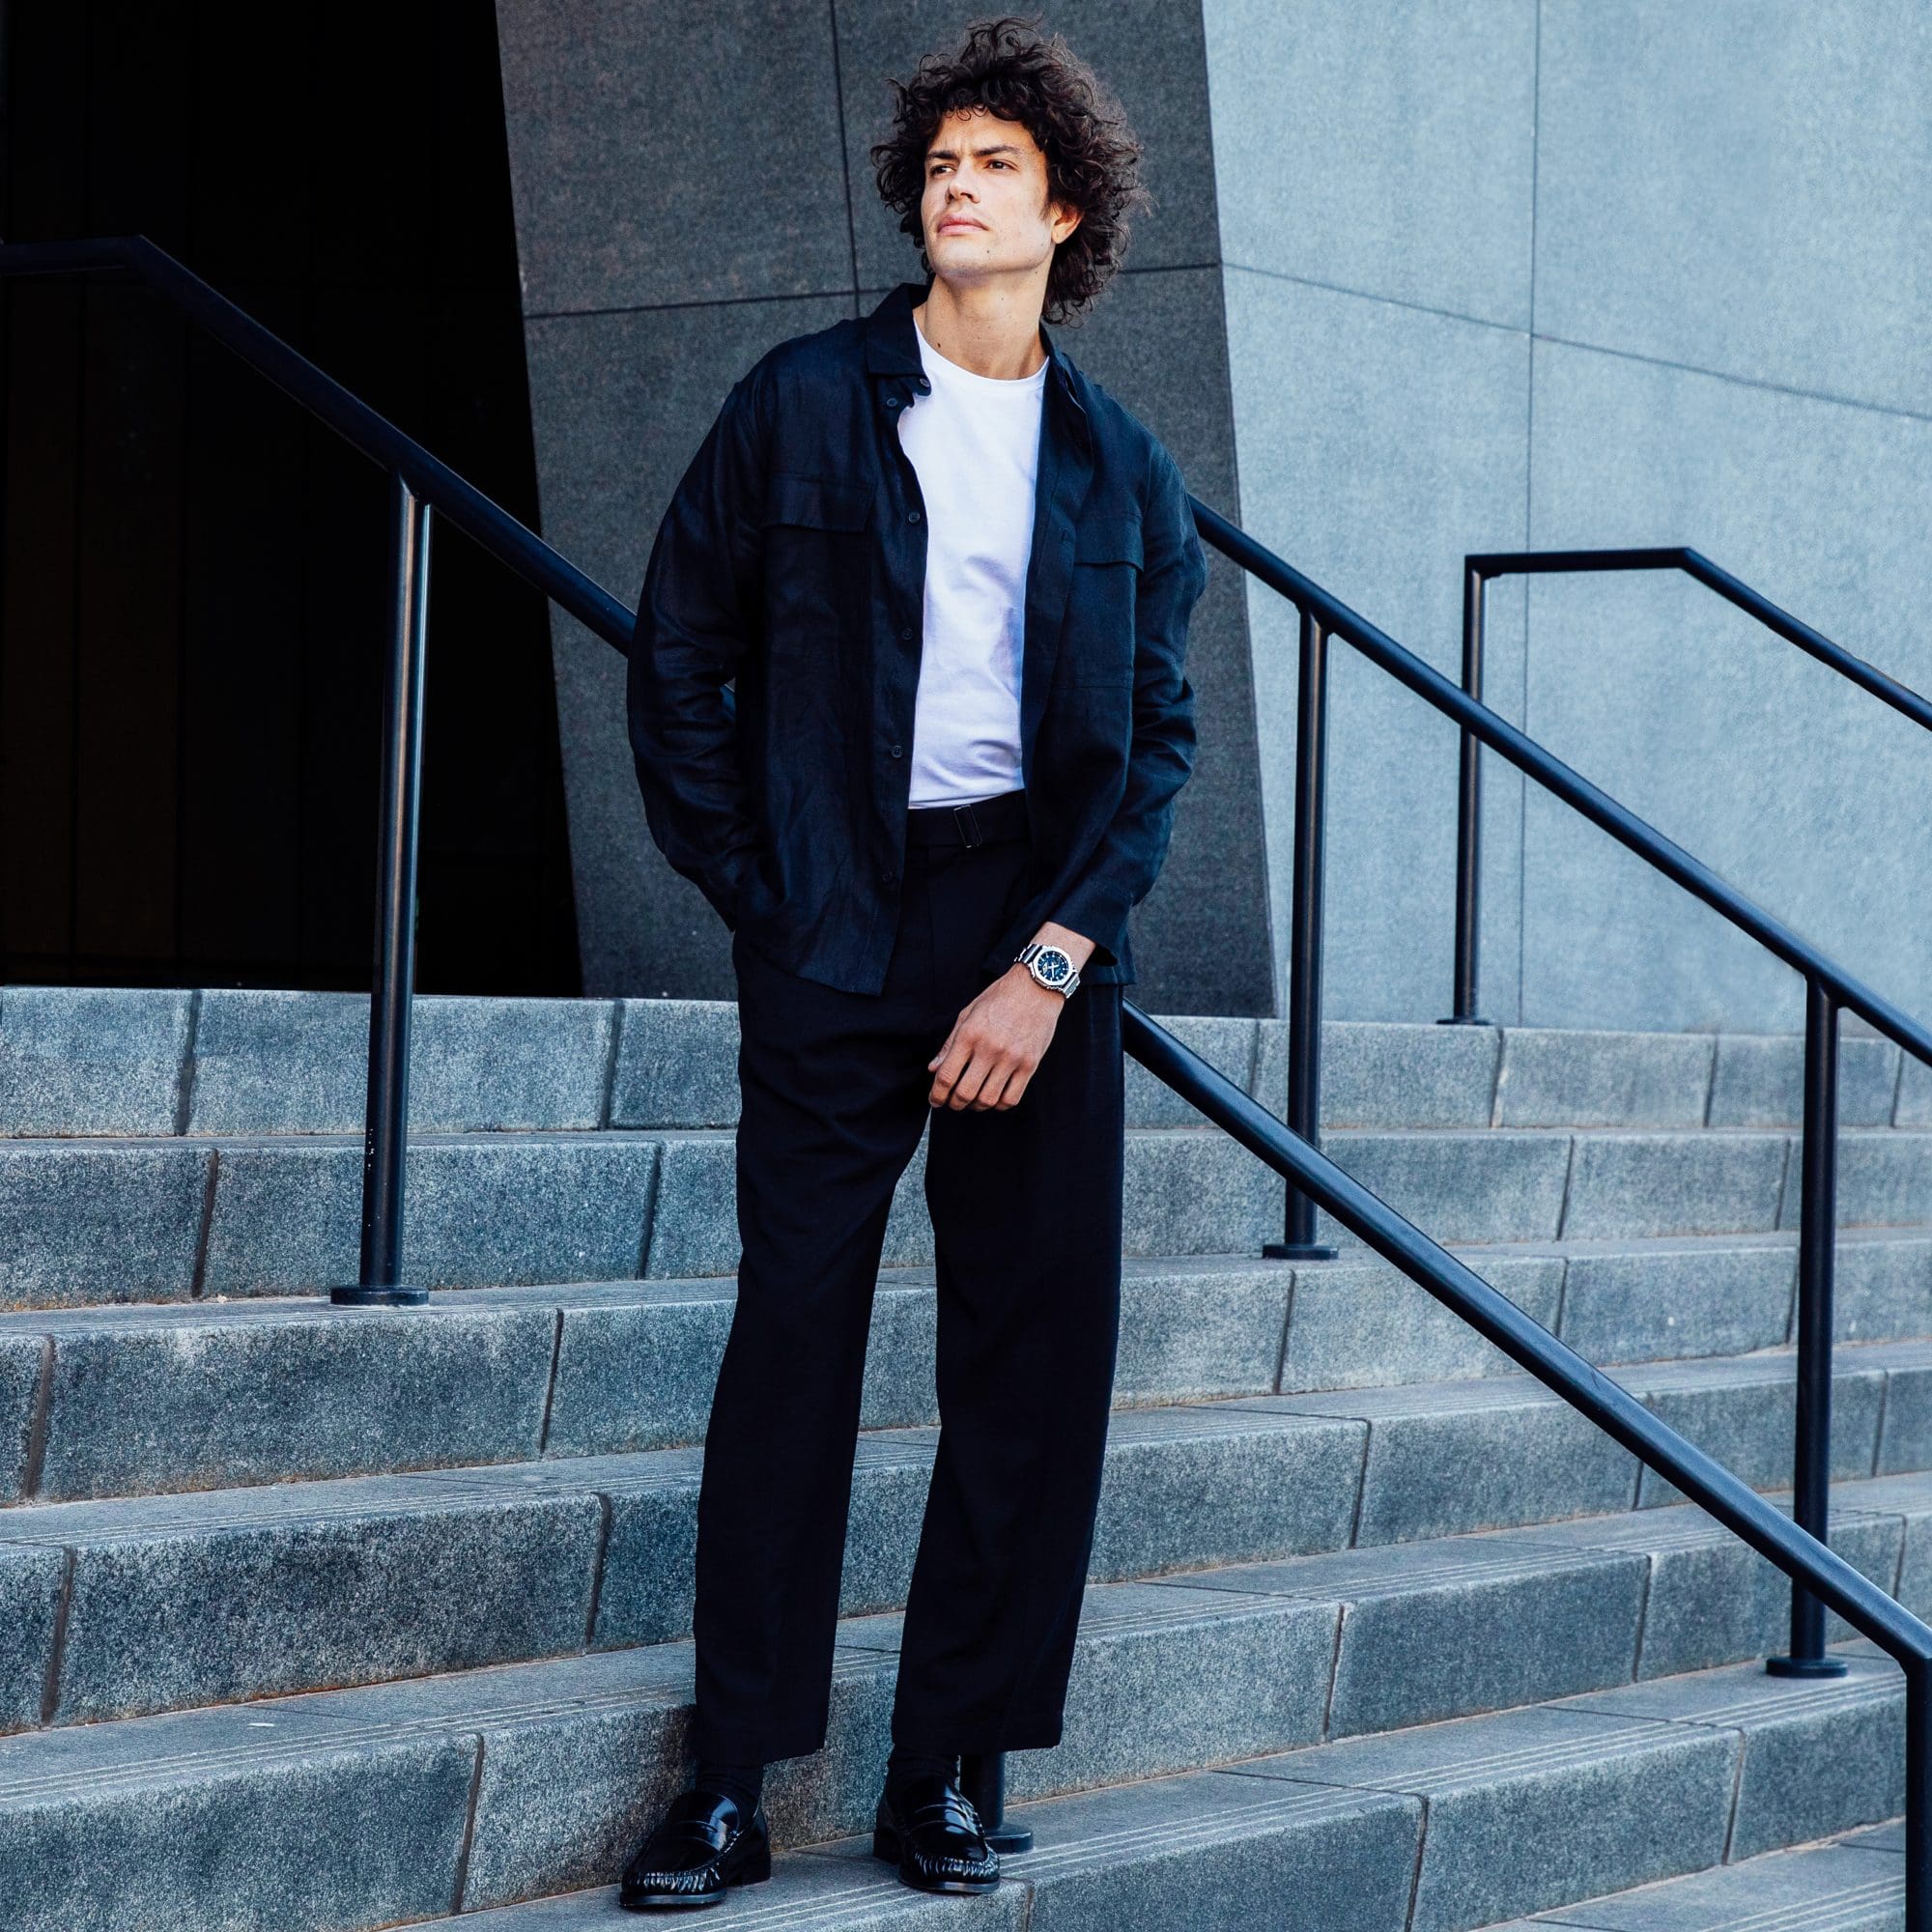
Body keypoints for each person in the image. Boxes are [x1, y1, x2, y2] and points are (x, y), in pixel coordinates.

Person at [616, 13, 1208, 1910]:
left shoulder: (1124, 468)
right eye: (938, 162)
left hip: (1035, 934)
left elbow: (1160, 739)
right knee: (793, 1339)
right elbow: (678, 647)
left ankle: (946, 1761)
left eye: (996, 166)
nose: (957, 185)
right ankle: (728, 1775)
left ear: (1066, 215)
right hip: (833, 925)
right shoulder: (801, 402)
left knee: (1030, 1360)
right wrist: (759, 886)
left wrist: (1047, 960)